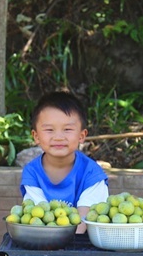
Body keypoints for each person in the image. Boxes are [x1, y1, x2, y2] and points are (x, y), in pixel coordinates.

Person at [20, 90, 109, 233]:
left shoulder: (91, 172)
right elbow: (38, 218)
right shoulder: (32, 172)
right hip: (46, 243)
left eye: (67, 129)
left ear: (81, 135)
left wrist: (63, 255)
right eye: (49, 130)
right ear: (36, 136)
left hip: (85, 245)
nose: (59, 137)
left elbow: (85, 220)